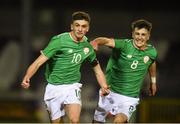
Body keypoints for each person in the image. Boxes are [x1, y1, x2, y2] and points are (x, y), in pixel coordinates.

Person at [21, 11, 109, 123]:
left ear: (88, 28)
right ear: (71, 26)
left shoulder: (88, 47)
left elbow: (97, 70)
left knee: (74, 120)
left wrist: (104, 85)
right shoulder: (59, 41)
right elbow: (38, 62)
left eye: (83, 26)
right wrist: (27, 77)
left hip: (72, 87)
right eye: (77, 25)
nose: (80, 29)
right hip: (54, 87)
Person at [91, 19, 157, 123]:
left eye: (143, 34)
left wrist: (153, 82)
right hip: (109, 91)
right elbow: (107, 41)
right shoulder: (124, 45)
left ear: (148, 36)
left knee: (119, 121)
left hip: (129, 97)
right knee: (97, 122)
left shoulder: (152, 51)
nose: (140, 37)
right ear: (132, 34)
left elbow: (152, 62)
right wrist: (96, 41)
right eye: (137, 34)